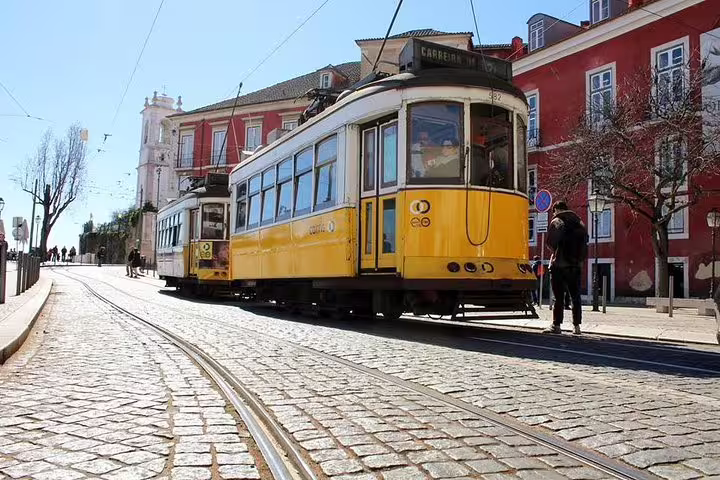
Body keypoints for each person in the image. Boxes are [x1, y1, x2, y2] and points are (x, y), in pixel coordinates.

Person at [544, 201, 588, 335]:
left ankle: (556, 325)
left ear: (556, 209)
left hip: (559, 264)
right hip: (576, 265)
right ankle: (576, 326)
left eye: (553, 212)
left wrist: (557, 251)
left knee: (558, 297)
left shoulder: (557, 221)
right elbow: (585, 240)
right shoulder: (579, 222)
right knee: (575, 296)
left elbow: (550, 243)